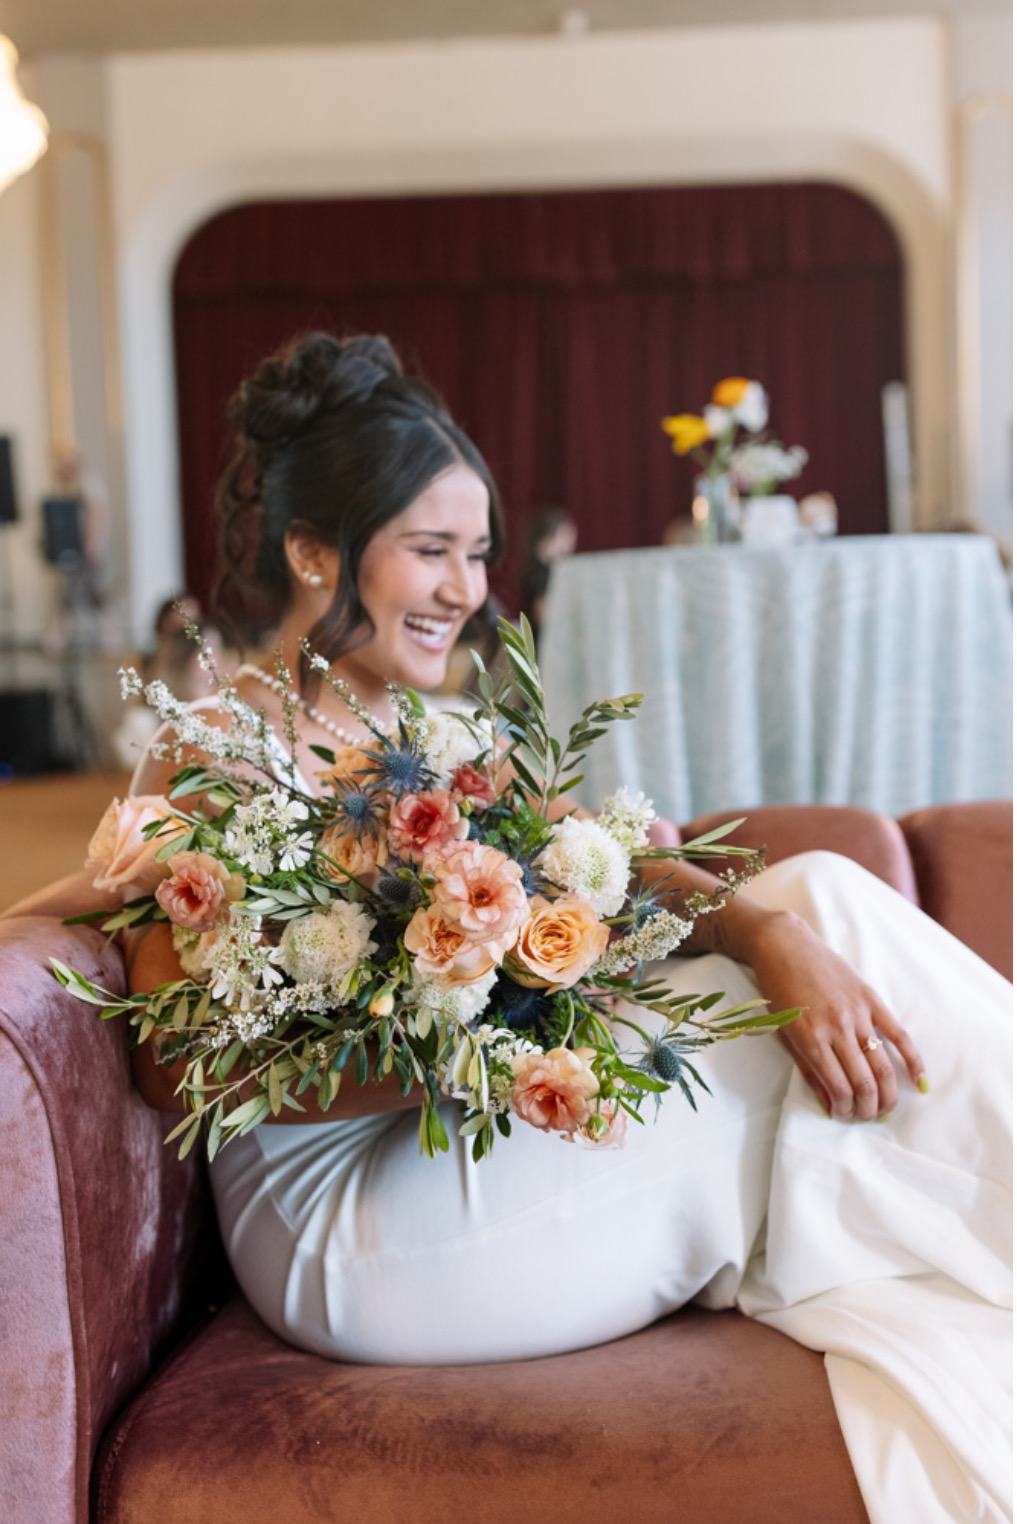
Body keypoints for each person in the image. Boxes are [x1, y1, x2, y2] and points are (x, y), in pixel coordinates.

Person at [106, 334, 1014, 1524]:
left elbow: (620, 870)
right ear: (315, 551)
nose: (465, 589)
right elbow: (171, 1063)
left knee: (821, 901)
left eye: (478, 553)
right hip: (344, 1230)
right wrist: (472, 1043)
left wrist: (763, 934)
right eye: (430, 550)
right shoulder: (223, 748)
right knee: (769, 1026)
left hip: (456, 1149)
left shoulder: (449, 739)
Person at [518, 505, 577, 640]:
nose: (569, 544)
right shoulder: (539, 573)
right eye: (566, 536)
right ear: (551, 535)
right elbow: (543, 616)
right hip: (544, 643)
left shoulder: (545, 569)